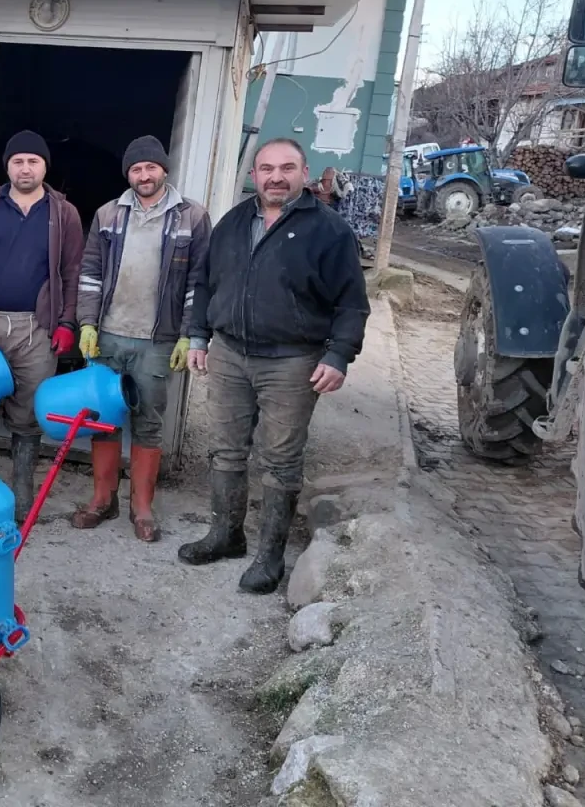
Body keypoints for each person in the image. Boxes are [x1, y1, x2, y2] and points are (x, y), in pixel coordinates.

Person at [179, 137, 369, 594]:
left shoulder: (329, 231)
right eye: (266, 169)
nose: (276, 177)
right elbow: (204, 282)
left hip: (291, 362)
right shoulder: (233, 221)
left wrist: (339, 354)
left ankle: (270, 557)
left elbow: (351, 303)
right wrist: (199, 335)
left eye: (287, 168)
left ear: (304, 174)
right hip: (228, 354)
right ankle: (226, 535)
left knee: (280, 459)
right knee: (225, 450)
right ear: (254, 176)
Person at [73, 136, 212, 542]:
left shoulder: (192, 217)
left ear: (164, 170)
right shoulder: (107, 214)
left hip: (157, 340)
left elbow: (199, 283)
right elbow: (90, 272)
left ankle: (142, 507)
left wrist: (189, 335)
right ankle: (102, 499)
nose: (144, 175)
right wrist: (87, 323)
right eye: (136, 169)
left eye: (151, 167)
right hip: (108, 336)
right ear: (128, 174)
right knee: (103, 419)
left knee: (148, 424)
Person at [0, 130, 83, 519]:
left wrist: (66, 322)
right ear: (7, 167)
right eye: (18, 161)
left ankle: (21, 491)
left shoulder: (63, 214)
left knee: (28, 410)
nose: (25, 167)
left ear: (45, 167)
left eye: (33, 161)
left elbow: (73, 270)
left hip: (36, 327)